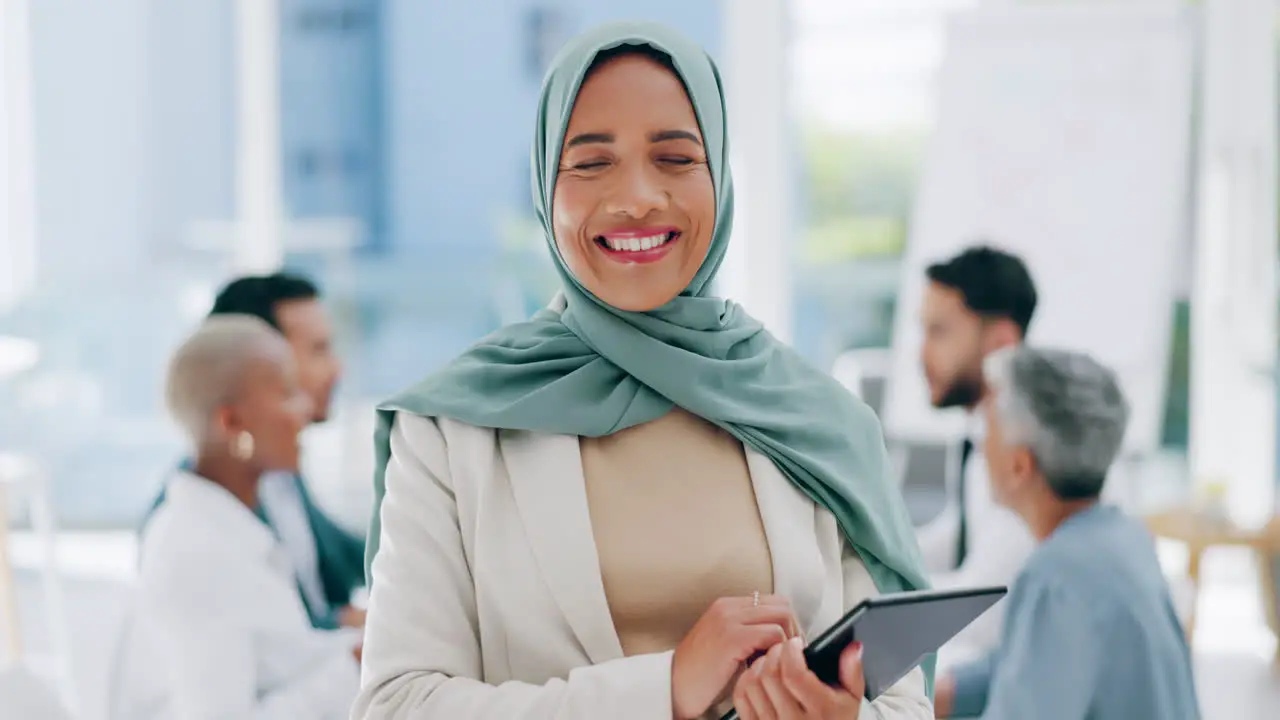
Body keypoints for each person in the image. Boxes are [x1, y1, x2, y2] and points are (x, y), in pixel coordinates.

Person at [351, 22, 933, 720]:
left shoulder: (820, 421)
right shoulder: (454, 427)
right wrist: (665, 689)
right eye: (591, 163)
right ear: (544, 185)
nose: (637, 198)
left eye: (676, 159)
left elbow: (902, 705)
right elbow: (397, 705)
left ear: (719, 174)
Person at [933, 347, 1200, 719]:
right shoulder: (1123, 538)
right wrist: (946, 695)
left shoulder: (1055, 577)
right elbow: (1033, 662)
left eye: (988, 428)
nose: (980, 445)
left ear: (1019, 466)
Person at [125, 316, 362, 718]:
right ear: (232, 422)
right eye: (287, 393)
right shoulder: (192, 551)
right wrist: (357, 662)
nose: (305, 409)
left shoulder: (239, 523)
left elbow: (288, 661)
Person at [143, 272, 365, 630]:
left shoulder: (279, 472)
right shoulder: (189, 529)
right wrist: (344, 634)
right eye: (318, 350)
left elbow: (345, 558)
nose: (338, 369)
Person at [914, 246, 1038, 656]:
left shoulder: (1024, 451)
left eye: (940, 332)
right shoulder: (981, 431)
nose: (922, 355)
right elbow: (964, 532)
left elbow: (982, 602)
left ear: (1001, 342)